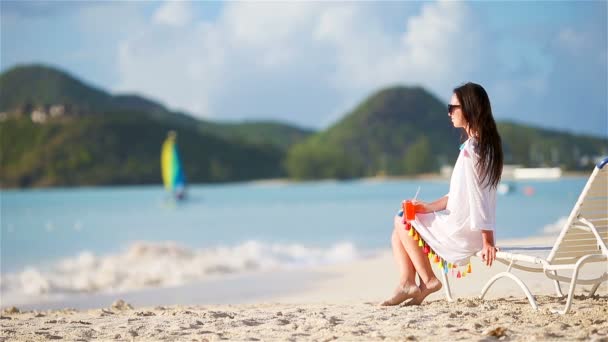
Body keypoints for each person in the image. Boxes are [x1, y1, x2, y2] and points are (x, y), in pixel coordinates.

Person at [381, 82, 503, 306]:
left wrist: (488, 241)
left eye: (453, 107)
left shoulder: (472, 150)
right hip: (469, 228)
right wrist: (426, 207)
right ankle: (407, 283)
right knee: (398, 234)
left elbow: (480, 198)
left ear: (468, 108)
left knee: (401, 217)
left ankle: (427, 281)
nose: (449, 112)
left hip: (464, 232)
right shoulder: (484, 146)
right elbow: (458, 197)